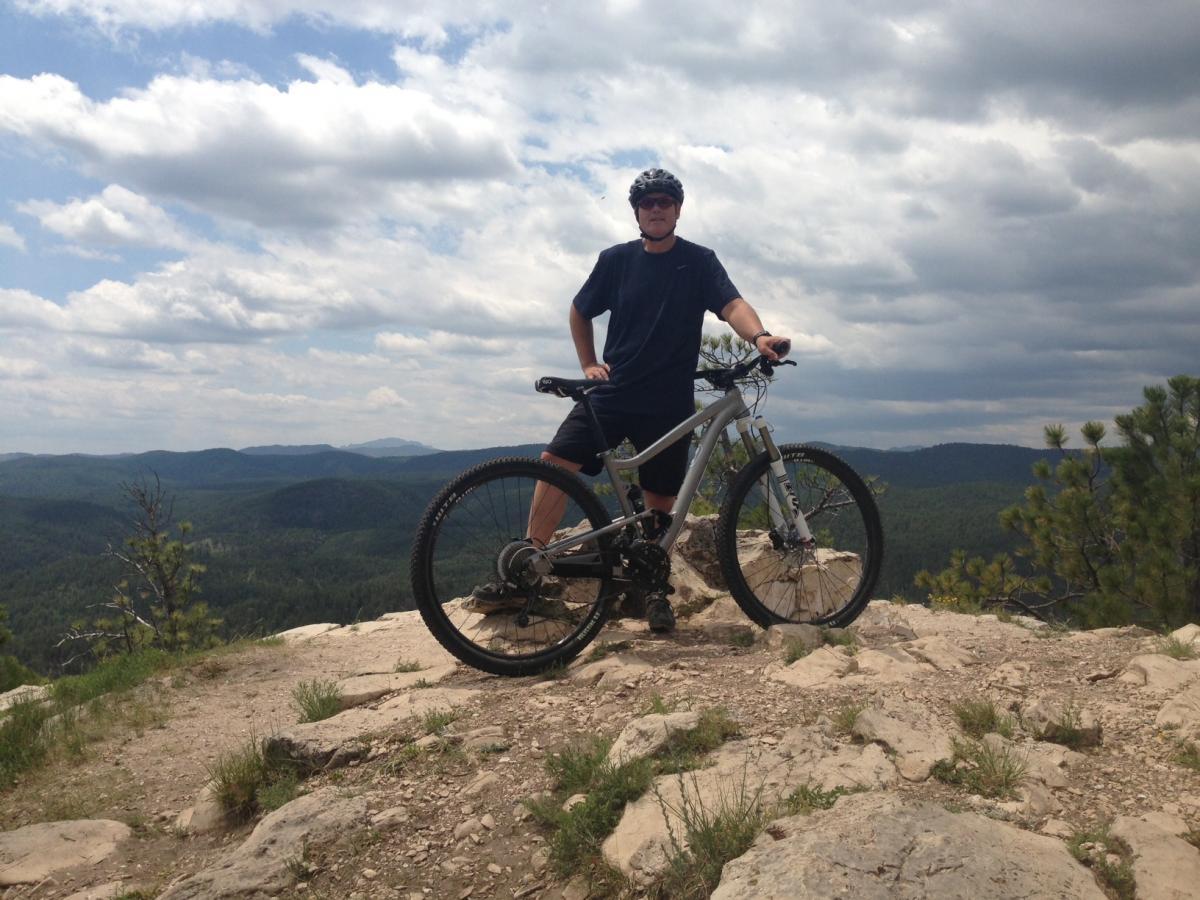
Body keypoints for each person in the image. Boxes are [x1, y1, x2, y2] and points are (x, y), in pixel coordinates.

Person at [471, 168, 790, 633]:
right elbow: (580, 311)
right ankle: (526, 566)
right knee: (556, 463)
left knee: (659, 502)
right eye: (648, 203)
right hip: (613, 391)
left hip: (668, 402)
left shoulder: (700, 261)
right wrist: (588, 364)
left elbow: (732, 305)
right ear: (637, 213)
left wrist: (759, 335)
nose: (656, 209)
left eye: (665, 201)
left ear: (678, 210)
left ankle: (653, 591)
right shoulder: (616, 259)